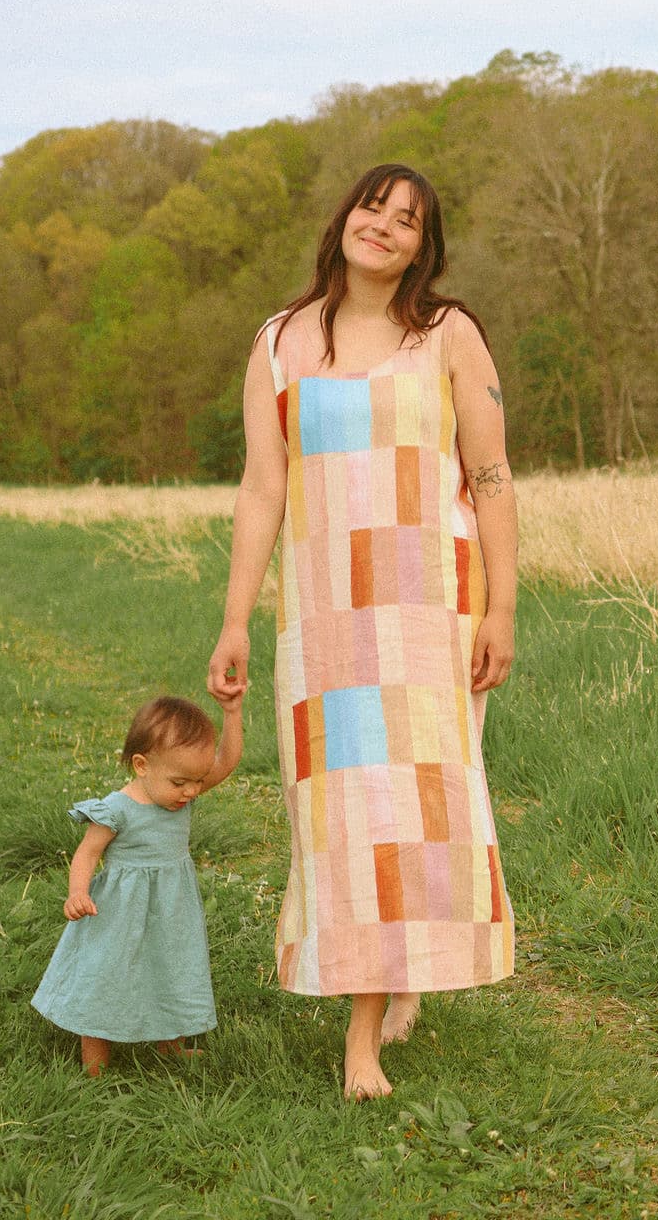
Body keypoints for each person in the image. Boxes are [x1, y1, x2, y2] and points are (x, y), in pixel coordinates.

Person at [208, 162, 516, 1100]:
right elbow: (265, 486)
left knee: (418, 811)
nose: (383, 227)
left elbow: (493, 476)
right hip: (328, 617)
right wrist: (235, 621)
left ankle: (363, 1041)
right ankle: (389, 980)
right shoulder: (276, 342)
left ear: (425, 247)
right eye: (373, 207)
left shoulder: (449, 335)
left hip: (431, 607)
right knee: (343, 816)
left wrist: (502, 605)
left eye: (408, 221)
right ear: (344, 216)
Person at [31, 694, 243, 1075]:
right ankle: (94, 1060)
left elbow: (226, 763)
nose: (192, 791)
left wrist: (232, 712)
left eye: (196, 780)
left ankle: (170, 1044)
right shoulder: (116, 808)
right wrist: (77, 892)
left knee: (172, 965)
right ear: (142, 765)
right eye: (181, 782)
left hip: (172, 906)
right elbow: (86, 854)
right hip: (119, 911)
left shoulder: (179, 792)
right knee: (107, 974)